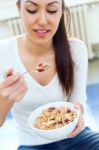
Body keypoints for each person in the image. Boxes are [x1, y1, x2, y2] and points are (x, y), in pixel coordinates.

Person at [0, 0, 99, 149]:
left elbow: (77, 100)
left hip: (75, 135)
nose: (42, 21)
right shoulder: (4, 52)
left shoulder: (76, 50)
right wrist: (3, 101)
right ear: (18, 8)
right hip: (31, 144)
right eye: (32, 10)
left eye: (52, 10)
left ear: (61, 12)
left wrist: (77, 111)